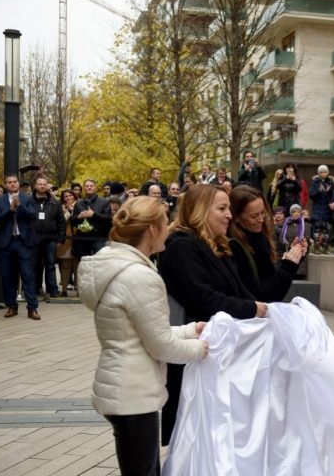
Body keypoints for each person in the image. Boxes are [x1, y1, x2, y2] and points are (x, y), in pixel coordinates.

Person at [77, 196, 209, 476]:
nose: (170, 228)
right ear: (151, 229)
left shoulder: (117, 266)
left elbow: (143, 331)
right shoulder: (140, 276)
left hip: (124, 387)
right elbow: (161, 345)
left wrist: (190, 330)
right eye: (165, 222)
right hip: (133, 393)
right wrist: (202, 349)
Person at [158, 184, 270, 444]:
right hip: (195, 356)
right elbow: (204, 299)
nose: (229, 214)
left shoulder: (217, 245)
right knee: (193, 437)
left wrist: (263, 309)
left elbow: (244, 292)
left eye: (229, 208)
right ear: (199, 211)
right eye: (222, 208)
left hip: (217, 355)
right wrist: (253, 309)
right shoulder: (181, 247)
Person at [228, 186, 307, 302]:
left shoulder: (261, 236)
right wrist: (288, 266)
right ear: (236, 217)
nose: (261, 219)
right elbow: (260, 296)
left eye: (262, 213)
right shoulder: (234, 247)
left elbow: (272, 282)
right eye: (254, 216)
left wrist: (294, 258)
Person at [0, 174, 41, 321]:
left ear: (18, 183)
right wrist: (10, 209)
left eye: (15, 182)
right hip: (6, 243)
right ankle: (11, 307)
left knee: (27, 275)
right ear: (5, 184)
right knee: (8, 276)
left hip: (23, 242)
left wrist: (19, 206)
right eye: (9, 182)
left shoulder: (27, 198)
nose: (12, 184)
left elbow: (33, 215)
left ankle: (32, 308)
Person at [31, 176, 66, 299]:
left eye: (44, 184)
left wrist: (61, 239)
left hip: (50, 239)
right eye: (39, 184)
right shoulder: (28, 201)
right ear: (35, 186)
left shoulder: (55, 202)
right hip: (33, 239)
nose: (42, 186)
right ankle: (34, 289)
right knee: (34, 265)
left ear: (47, 187)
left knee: (50, 265)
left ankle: (53, 290)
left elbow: (61, 221)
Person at [71, 179, 112, 257]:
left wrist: (94, 215)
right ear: (84, 188)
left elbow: (108, 219)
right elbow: (73, 220)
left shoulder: (104, 202)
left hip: (98, 237)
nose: (89, 187)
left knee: (99, 262)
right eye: (87, 186)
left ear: (95, 188)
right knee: (83, 263)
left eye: (91, 186)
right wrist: (78, 217)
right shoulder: (79, 203)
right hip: (82, 238)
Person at [56, 189, 80, 297]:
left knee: (78, 265)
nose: (68, 198)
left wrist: (74, 210)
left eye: (70, 195)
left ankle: (79, 290)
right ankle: (64, 289)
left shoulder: (81, 205)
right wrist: (69, 212)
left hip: (79, 239)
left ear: (74, 196)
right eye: (66, 196)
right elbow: (61, 222)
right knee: (65, 265)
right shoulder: (61, 208)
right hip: (66, 239)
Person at [309, 164, 334, 254]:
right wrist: (318, 191)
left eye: (325, 172)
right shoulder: (315, 182)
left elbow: (333, 197)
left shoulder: (331, 183)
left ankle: (325, 248)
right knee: (317, 231)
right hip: (317, 210)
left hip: (327, 211)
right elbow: (311, 195)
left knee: (326, 231)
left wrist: (329, 191)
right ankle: (316, 247)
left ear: (327, 173)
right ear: (318, 173)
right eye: (321, 172)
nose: (323, 174)